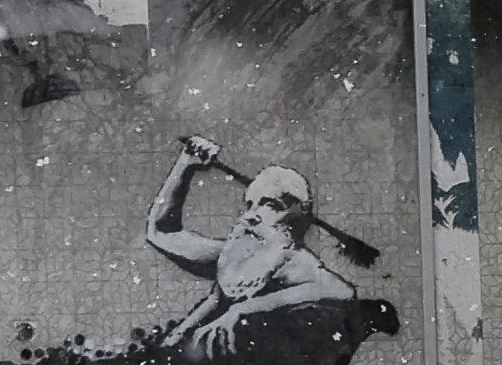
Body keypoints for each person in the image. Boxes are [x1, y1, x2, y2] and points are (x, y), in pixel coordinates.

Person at [141, 140, 354, 353]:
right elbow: (161, 232)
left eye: (270, 206)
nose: (251, 216)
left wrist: (247, 308)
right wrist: (186, 163)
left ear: (296, 218)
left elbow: (341, 290)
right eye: (251, 204)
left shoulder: (292, 260)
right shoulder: (237, 256)